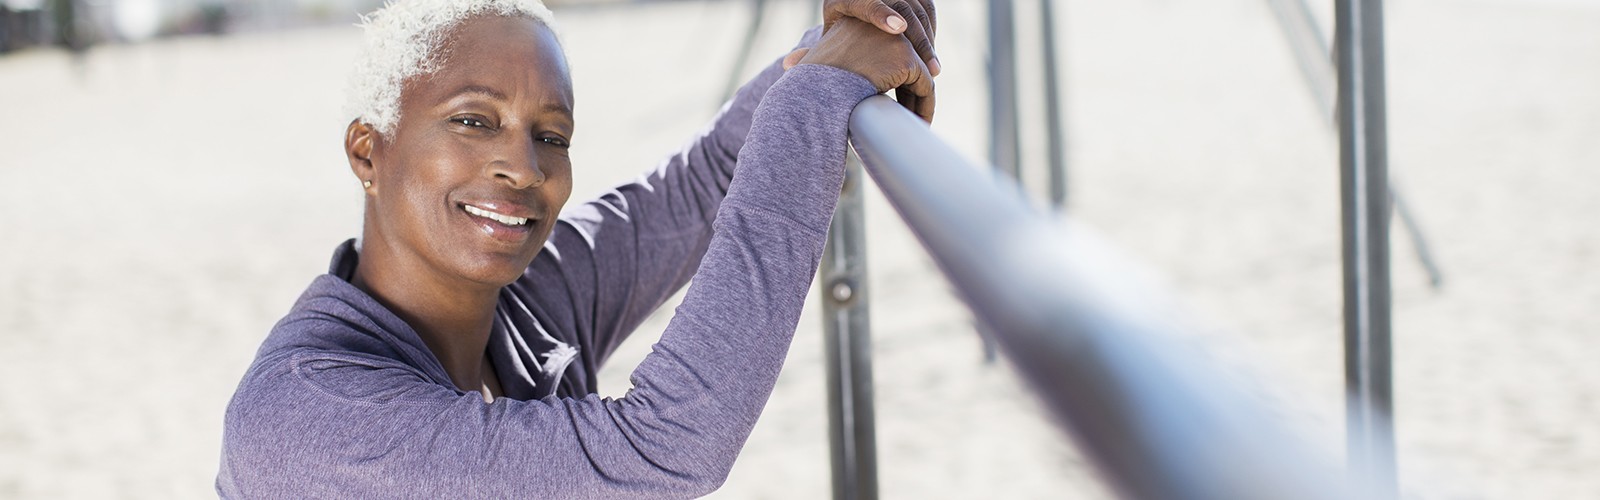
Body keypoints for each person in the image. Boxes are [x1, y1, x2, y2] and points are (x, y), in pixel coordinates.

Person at [217, 0, 937, 497]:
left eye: (551, 135)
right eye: (473, 120)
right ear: (367, 151)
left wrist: (855, 31)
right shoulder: (306, 417)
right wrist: (815, 97)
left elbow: (703, 184)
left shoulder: (532, 300)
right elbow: (666, 444)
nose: (524, 167)